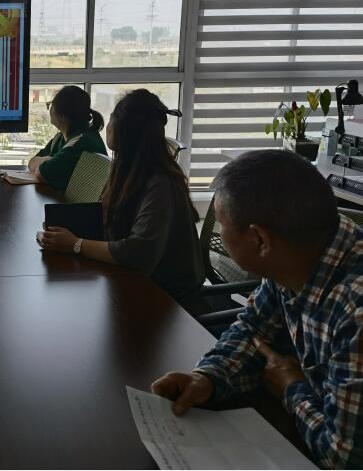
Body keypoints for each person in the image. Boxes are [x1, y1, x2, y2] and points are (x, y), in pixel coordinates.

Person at [151, 150, 363, 469]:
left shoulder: (356, 310)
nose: (219, 233)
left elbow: (343, 456)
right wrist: (207, 377)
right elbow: (254, 329)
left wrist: (291, 388)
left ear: (260, 240)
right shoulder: (297, 255)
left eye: (221, 224)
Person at [38, 89, 206, 313]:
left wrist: (76, 244)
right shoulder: (127, 168)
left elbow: (138, 252)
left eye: (112, 119)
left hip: (170, 302)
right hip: (134, 282)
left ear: (124, 131)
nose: (107, 125)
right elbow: (108, 219)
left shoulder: (160, 183)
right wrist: (66, 228)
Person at [27, 85, 107, 192]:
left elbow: (42, 174)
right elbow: (32, 162)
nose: (49, 108)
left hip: (75, 202)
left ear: (62, 116)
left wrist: (47, 161)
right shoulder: (62, 136)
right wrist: (49, 160)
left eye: (51, 104)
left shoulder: (81, 141)